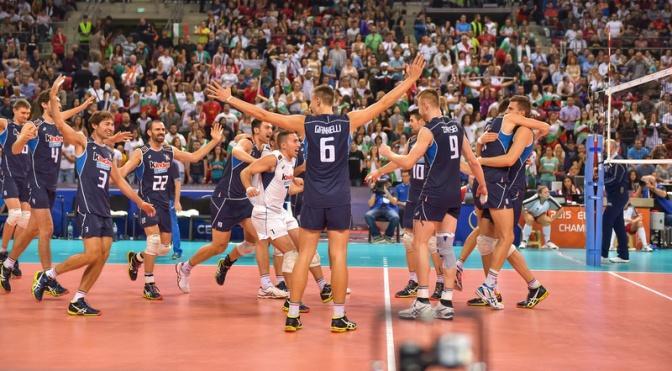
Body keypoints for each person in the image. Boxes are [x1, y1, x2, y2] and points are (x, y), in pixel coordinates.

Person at [206, 54, 426, 332]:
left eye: (312, 100)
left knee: (304, 254)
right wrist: (410, 80)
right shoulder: (348, 121)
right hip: (338, 198)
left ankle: (293, 315)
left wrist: (230, 99)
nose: (309, 103)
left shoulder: (305, 123)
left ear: (320, 101)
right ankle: (337, 317)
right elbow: (383, 103)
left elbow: (263, 115)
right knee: (338, 257)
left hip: (313, 196)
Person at [31, 76, 156, 315]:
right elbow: (58, 122)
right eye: (106, 124)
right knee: (91, 254)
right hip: (87, 207)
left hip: (103, 208)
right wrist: (55, 93)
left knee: (103, 254)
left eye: (112, 124)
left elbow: (120, 181)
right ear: (95, 127)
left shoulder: (109, 154)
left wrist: (140, 202)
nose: (110, 127)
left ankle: (78, 299)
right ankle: (49, 275)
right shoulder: (82, 143)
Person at [379, 88, 487, 320]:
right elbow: (472, 160)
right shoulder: (457, 128)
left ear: (426, 106)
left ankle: (422, 300)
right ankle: (446, 302)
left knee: (419, 243)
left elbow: (408, 162)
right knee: (445, 247)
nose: (420, 111)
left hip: (432, 195)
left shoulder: (429, 130)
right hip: (452, 196)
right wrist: (483, 185)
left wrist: (388, 153)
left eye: (419, 107)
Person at [456, 99, 549, 309]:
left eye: (511, 109)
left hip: (511, 188)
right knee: (486, 237)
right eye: (507, 109)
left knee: (503, 239)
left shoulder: (523, 129)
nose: (507, 112)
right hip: (498, 182)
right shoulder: (510, 130)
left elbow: (509, 159)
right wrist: (480, 143)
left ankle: (524, 286)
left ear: (522, 113)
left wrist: (480, 161)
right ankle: (493, 288)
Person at [1, 91, 95, 294]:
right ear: (45, 104)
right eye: (56, 102)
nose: (59, 106)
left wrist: (83, 106)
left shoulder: (57, 126)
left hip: (52, 185)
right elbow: (16, 150)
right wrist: (22, 138)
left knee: (31, 230)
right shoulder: (34, 125)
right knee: (47, 230)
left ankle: (7, 265)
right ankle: (46, 277)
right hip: (36, 183)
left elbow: (65, 115)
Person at [120, 120, 223, 300]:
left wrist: (214, 141)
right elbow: (121, 173)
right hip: (148, 203)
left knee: (164, 249)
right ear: (149, 132)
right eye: (157, 129)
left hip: (164, 205)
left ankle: (136, 259)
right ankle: (149, 284)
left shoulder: (169, 151)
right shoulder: (141, 153)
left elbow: (194, 157)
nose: (161, 131)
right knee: (153, 241)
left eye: (163, 129)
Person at [174, 121, 273, 293]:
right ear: (256, 130)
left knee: (259, 240)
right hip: (225, 200)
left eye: (271, 128)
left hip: (243, 201)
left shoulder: (263, 149)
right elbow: (236, 150)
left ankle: (229, 265)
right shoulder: (248, 142)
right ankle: (185, 267)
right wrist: (258, 163)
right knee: (218, 246)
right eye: (267, 127)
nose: (270, 130)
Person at [240, 130, 332, 309]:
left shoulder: (292, 162)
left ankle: (323, 287)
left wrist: (304, 187)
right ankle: (292, 299)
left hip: (280, 211)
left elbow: (286, 189)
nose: (298, 144)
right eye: (294, 141)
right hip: (265, 213)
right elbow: (246, 171)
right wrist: (248, 188)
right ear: (283, 145)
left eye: (298, 141)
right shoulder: (274, 158)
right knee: (290, 254)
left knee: (306, 247)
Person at [366, 110, 445, 300]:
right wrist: (378, 172)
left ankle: (441, 282)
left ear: (421, 121)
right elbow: (401, 163)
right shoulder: (411, 142)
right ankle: (413, 281)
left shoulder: (434, 139)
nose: (409, 124)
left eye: (412, 121)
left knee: (432, 243)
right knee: (409, 241)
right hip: (414, 194)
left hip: (431, 193)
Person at [0, 99, 33, 286]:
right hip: (10, 175)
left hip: (26, 177)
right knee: (15, 213)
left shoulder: (29, 129)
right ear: (14, 111)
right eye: (22, 113)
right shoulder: (6, 125)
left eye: (27, 114)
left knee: (25, 218)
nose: (25, 116)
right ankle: (3, 251)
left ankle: (13, 257)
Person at [601, 139, 630, 264]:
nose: (604, 148)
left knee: (606, 221)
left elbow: (615, 179)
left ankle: (603, 254)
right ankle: (623, 255)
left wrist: (601, 182)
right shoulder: (607, 161)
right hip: (613, 195)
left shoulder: (619, 160)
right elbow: (607, 176)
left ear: (613, 148)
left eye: (606, 146)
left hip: (619, 195)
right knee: (618, 226)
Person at [365, 176, 400, 243]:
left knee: (395, 217)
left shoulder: (393, 191)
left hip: (389, 209)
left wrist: (386, 192)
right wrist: (374, 191)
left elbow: (395, 202)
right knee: (368, 215)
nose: (384, 185)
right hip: (377, 208)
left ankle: (388, 236)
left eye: (386, 183)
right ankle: (377, 236)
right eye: (383, 183)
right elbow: (370, 204)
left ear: (390, 183)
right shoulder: (376, 191)